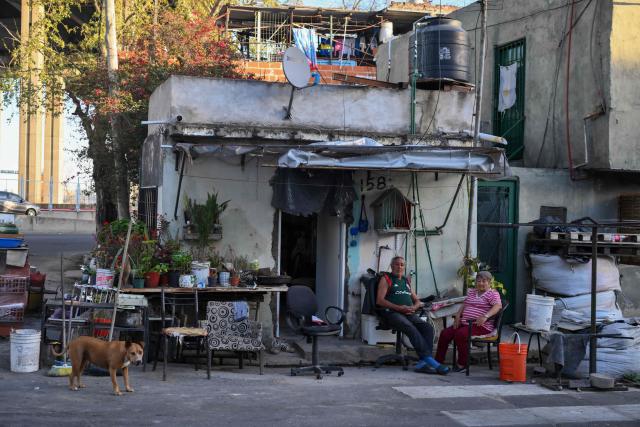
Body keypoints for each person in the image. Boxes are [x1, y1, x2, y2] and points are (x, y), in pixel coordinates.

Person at [376, 256, 449, 375]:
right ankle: (428, 359)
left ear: (404, 267)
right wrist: (399, 308)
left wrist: (414, 307)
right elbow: (380, 300)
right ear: (391, 266)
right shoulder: (386, 278)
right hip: (391, 313)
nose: (399, 267)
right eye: (396, 264)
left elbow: (417, 300)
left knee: (427, 328)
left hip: (408, 313)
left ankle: (423, 362)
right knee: (410, 327)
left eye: (402, 265)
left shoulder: (406, 281)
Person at [435, 270, 502, 371]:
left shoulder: (492, 294)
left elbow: (498, 306)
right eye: (479, 281)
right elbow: (465, 304)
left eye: (484, 281)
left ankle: (463, 364)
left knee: (460, 335)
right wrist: (458, 316)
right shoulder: (472, 292)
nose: (481, 283)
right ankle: (438, 362)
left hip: (481, 326)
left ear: (489, 282)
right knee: (445, 333)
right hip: (465, 323)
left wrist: (485, 316)